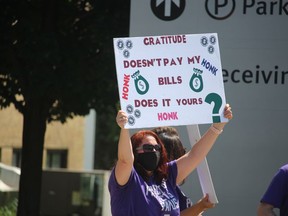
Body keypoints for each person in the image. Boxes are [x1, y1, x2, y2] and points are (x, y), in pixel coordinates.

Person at [109, 104, 233, 216]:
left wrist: (217, 127)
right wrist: (124, 128)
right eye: (147, 147)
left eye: (157, 147)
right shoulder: (129, 179)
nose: (153, 151)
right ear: (134, 151)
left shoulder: (166, 174)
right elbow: (125, 161)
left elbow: (194, 155)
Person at [152, 126, 215, 216]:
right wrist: (200, 206)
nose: (183, 158)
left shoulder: (170, 185)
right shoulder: (152, 188)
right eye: (181, 153)